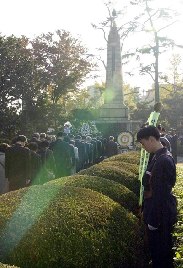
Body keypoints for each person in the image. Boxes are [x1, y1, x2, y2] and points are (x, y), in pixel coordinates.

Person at [137, 125, 177, 268]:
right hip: (158, 216)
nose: (143, 147)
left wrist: (153, 221)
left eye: (143, 143)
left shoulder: (163, 161)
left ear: (152, 139)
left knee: (161, 257)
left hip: (160, 218)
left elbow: (160, 195)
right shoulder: (158, 157)